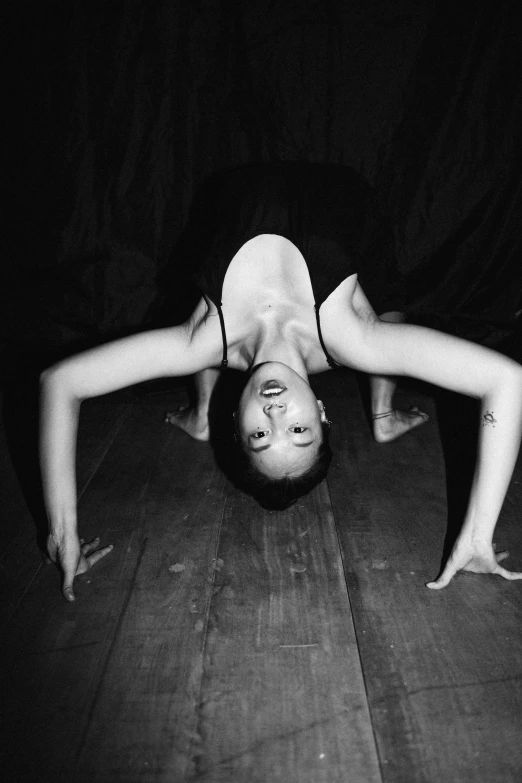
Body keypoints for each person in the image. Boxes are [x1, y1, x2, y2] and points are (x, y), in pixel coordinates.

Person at [39, 163, 522, 601]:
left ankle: (200, 413)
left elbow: (61, 382)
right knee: (386, 309)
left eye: (258, 435)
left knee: (200, 349)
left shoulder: (201, 341)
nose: (274, 415)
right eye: (298, 430)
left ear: (238, 420)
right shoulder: (354, 337)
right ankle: (383, 415)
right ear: (322, 411)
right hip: (342, 186)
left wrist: (63, 532)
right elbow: (506, 380)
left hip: (248, 180)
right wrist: (479, 533)